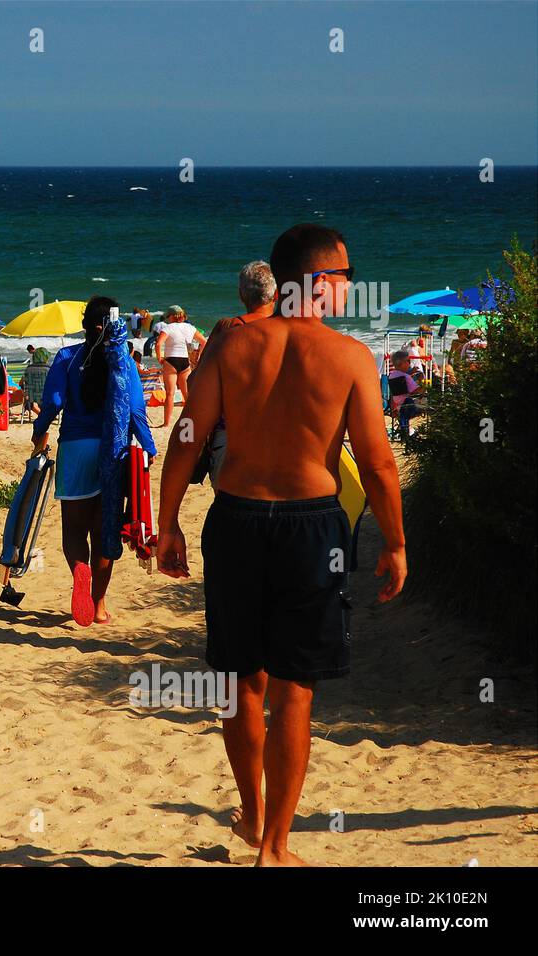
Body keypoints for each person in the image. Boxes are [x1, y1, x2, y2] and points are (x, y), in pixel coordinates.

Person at [155, 223, 406, 866]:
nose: (350, 288)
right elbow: (377, 465)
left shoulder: (231, 346)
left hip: (236, 520)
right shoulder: (350, 358)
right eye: (346, 277)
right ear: (319, 282)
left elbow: (187, 435)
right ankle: (275, 847)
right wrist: (396, 542)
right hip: (310, 527)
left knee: (243, 681)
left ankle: (253, 814)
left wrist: (169, 521)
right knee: (295, 688)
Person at [32, 297, 157, 627]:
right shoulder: (124, 361)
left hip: (74, 448)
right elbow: (135, 411)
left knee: (74, 530)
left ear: (85, 324)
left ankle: (79, 570)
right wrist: (149, 446)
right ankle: (99, 607)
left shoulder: (66, 357)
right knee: (104, 533)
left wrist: (38, 435)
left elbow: (52, 404)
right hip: (112, 451)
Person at [197, 261, 277, 487]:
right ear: (277, 295)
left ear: (241, 294)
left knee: (231, 514)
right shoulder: (292, 331)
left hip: (231, 437)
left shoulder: (228, 328)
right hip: (280, 439)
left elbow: (197, 385)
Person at [155, 305, 206, 427]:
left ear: (172, 316)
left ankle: (166, 423)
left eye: (168, 316)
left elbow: (158, 344)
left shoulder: (168, 327)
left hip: (171, 361)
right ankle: (192, 419)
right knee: (187, 393)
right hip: (185, 361)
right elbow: (204, 342)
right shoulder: (190, 327)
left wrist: (159, 358)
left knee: (170, 394)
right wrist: (199, 357)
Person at [386, 351, 423, 438]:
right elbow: (416, 391)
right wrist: (422, 383)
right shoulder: (406, 377)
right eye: (408, 361)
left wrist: (410, 374)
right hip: (408, 405)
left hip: (397, 404)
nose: (410, 363)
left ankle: (405, 429)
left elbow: (401, 378)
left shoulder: (392, 376)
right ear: (401, 363)